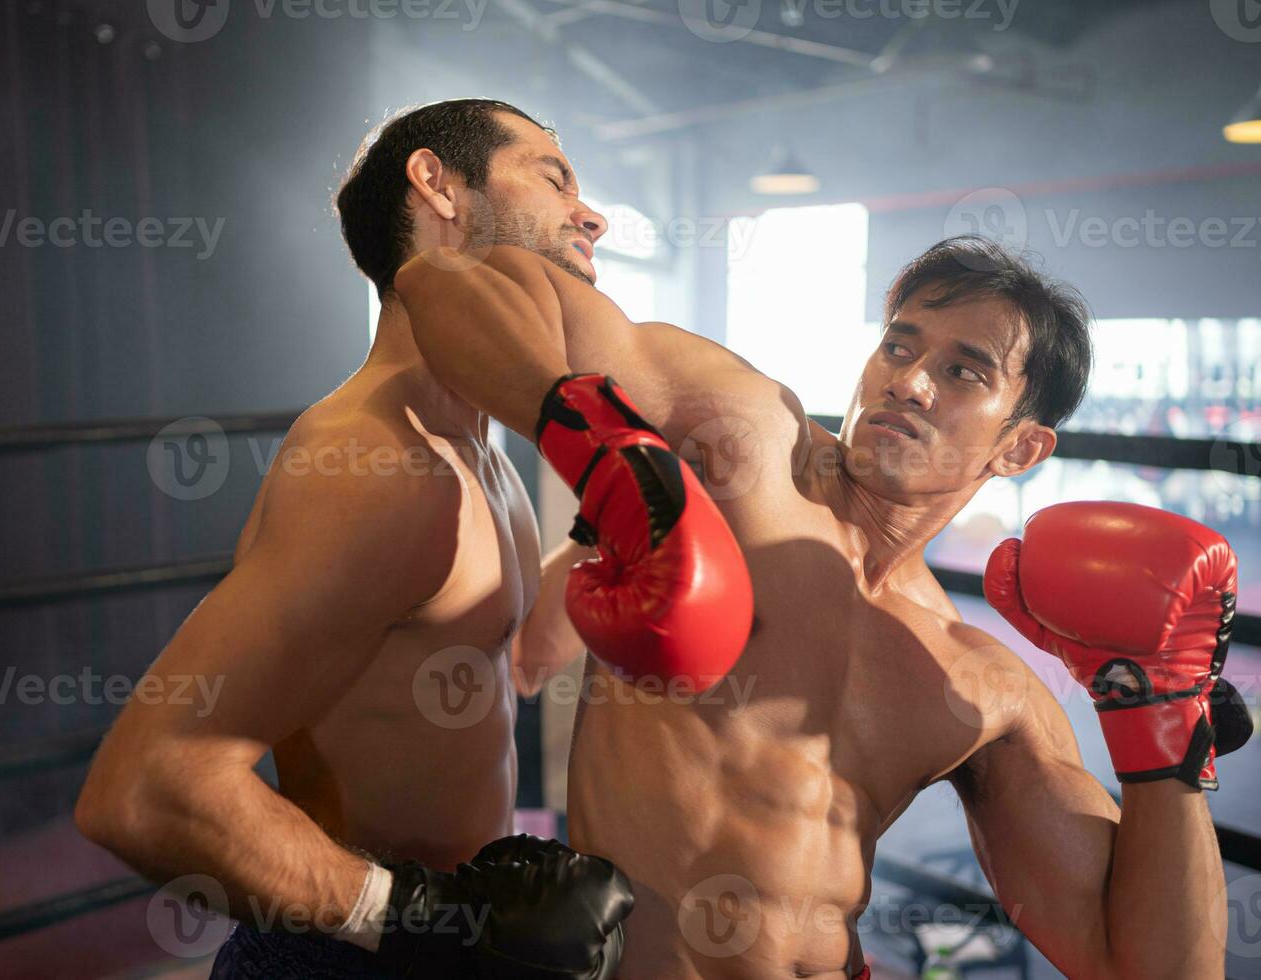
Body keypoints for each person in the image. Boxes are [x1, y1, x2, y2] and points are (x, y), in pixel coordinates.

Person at [393, 120, 1249, 976]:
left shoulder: (981, 685)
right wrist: (605, 455)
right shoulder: (747, 437)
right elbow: (451, 280)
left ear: (1019, 449)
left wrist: (1165, 734)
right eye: (899, 345)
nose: (906, 382)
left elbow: (1153, 969)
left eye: (963, 371)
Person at [72, 99, 654, 979]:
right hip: (353, 950)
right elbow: (146, 790)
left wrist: (621, 510)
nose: (591, 213)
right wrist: (416, 918)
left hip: (451, 933)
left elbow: (510, 659)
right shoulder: (378, 462)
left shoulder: (480, 453)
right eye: (553, 176)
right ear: (437, 185)